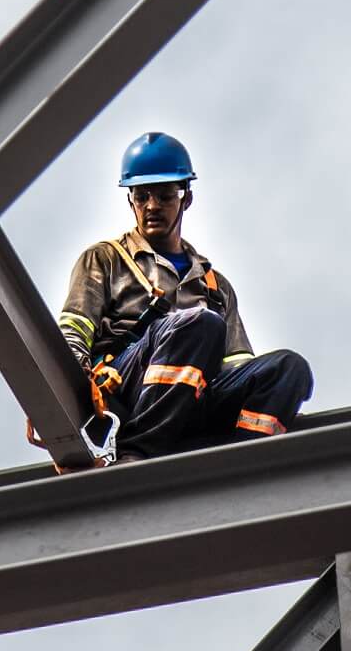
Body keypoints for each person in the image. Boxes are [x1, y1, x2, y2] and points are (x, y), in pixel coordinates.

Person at [55, 132, 313, 462]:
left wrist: (270, 394)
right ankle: (138, 452)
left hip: (195, 399)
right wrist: (63, 399)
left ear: (185, 198)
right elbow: (74, 333)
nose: (152, 206)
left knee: (289, 368)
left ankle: (245, 459)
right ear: (130, 200)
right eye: (142, 195)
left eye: (164, 196)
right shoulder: (105, 260)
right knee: (201, 324)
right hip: (129, 391)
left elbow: (237, 366)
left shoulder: (214, 286)